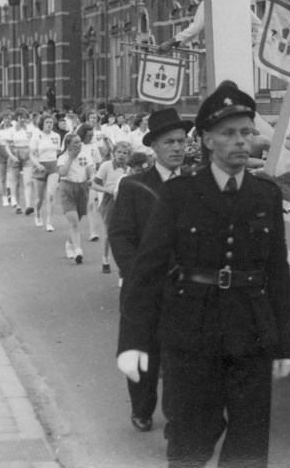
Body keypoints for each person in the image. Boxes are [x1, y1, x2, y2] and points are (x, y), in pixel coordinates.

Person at [117, 81, 290, 467]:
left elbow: (277, 273)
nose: (240, 142)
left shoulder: (266, 195)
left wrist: (283, 345)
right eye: (228, 133)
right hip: (192, 335)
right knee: (190, 443)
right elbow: (146, 271)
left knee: (249, 444)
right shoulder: (180, 194)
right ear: (208, 140)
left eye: (246, 132)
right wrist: (133, 342)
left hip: (251, 333)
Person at [109, 107, 193, 433]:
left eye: (182, 141)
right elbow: (120, 237)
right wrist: (137, 275)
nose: (177, 148)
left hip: (183, 287)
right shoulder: (133, 187)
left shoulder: (195, 186)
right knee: (142, 352)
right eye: (169, 142)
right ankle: (142, 409)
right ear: (154, 147)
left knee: (178, 354)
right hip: (143, 287)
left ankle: (176, 413)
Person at [92, 141, 132, 274]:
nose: (121, 155)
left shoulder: (130, 168)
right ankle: (105, 258)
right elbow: (94, 184)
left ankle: (123, 265)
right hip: (110, 202)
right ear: (113, 152)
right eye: (119, 152)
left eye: (125, 153)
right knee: (110, 234)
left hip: (126, 201)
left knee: (127, 234)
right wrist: (107, 190)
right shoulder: (106, 166)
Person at [57, 133, 96, 264]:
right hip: (67, 188)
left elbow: (91, 171)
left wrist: (91, 178)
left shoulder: (85, 155)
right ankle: (78, 250)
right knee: (74, 222)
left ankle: (69, 244)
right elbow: (62, 173)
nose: (79, 144)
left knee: (77, 220)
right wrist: (71, 158)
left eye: (80, 142)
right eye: (75, 142)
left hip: (82, 188)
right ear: (68, 144)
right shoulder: (62, 158)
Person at [30, 114, 61, 232]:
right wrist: (38, 164)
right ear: (42, 124)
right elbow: (31, 154)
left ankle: (49, 221)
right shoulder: (36, 136)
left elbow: (57, 152)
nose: (49, 124)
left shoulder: (56, 136)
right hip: (40, 167)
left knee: (51, 194)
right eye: (47, 122)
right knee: (39, 198)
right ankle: (37, 214)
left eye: (51, 122)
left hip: (53, 166)